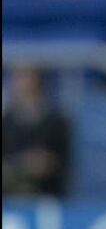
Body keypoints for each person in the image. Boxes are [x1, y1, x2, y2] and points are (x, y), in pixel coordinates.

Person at [2, 66, 71, 198]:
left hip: (48, 195)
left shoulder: (56, 121)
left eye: (21, 76)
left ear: (36, 79)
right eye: (14, 77)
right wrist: (23, 164)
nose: (15, 83)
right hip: (11, 196)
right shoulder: (6, 121)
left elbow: (51, 163)